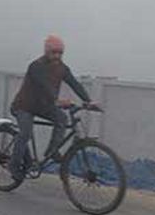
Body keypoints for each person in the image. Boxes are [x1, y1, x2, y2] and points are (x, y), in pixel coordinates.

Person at [9, 35, 94, 179]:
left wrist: (89, 101)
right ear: (46, 51)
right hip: (24, 106)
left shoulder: (62, 68)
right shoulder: (36, 66)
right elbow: (44, 86)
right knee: (25, 134)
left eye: (60, 53)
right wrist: (57, 100)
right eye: (54, 52)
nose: (57, 56)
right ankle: (14, 165)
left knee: (62, 118)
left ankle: (52, 151)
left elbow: (75, 84)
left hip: (43, 106)